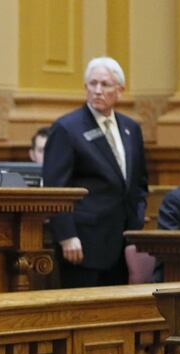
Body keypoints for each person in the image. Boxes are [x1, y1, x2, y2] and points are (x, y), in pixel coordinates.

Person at [43, 56, 148, 288]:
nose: (97, 90)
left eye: (105, 85)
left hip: (123, 241)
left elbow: (139, 183)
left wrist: (137, 220)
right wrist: (66, 235)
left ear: (119, 90)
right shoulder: (67, 128)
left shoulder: (131, 128)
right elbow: (54, 188)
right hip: (83, 243)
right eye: (92, 84)